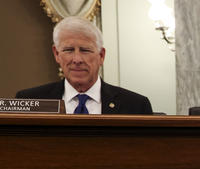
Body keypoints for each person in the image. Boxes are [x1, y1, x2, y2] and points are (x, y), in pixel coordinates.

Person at [15, 16, 152, 115]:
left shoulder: (136, 105)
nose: (77, 59)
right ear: (57, 54)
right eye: (68, 50)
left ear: (101, 55)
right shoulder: (30, 101)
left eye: (85, 50)